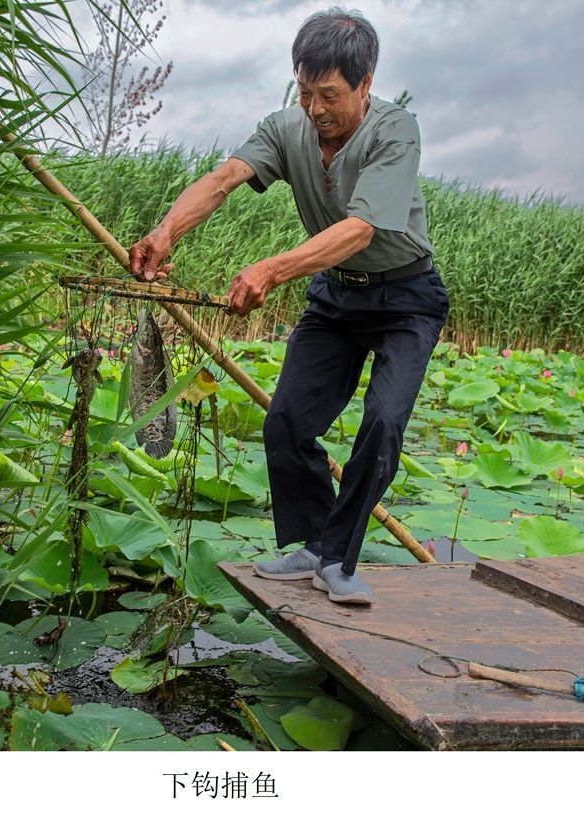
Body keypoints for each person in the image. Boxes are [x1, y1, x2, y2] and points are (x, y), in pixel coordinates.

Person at [128, 8, 448, 606]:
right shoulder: (286, 127)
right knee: (288, 422)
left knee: (381, 422)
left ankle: (339, 559)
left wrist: (271, 270)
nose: (315, 108)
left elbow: (361, 229)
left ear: (365, 84)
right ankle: (309, 543)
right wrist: (167, 230)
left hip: (405, 297)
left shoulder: (396, 131)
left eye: (329, 95)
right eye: (305, 92)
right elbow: (224, 178)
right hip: (335, 296)